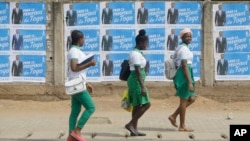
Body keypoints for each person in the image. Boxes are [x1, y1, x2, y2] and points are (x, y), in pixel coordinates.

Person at [67, 30, 96, 141]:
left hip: (77, 83)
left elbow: (77, 71)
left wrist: (86, 83)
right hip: (76, 84)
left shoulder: (75, 50)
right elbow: (74, 68)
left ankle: (71, 136)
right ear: (79, 40)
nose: (84, 40)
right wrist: (89, 63)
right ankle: (77, 131)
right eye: (83, 38)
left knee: (75, 111)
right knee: (91, 107)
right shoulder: (74, 51)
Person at [168, 28, 196, 132]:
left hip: (187, 73)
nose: (189, 38)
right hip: (184, 75)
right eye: (186, 36)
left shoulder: (184, 47)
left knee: (192, 98)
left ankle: (173, 116)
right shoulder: (183, 49)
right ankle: (182, 126)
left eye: (190, 36)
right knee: (184, 100)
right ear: (182, 37)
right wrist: (189, 82)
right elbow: (184, 65)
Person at [125, 29, 151, 136]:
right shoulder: (135, 54)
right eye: (145, 43)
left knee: (137, 106)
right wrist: (143, 87)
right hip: (136, 81)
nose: (146, 45)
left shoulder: (138, 52)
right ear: (140, 43)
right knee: (146, 104)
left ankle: (134, 129)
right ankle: (130, 124)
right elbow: (138, 71)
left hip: (137, 80)